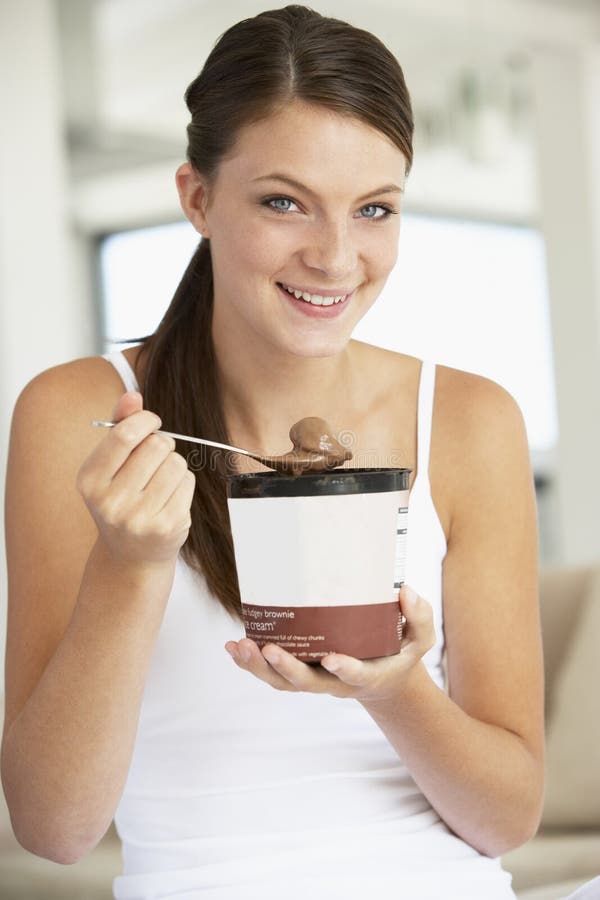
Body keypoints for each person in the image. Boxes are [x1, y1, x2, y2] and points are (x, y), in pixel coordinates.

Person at [1, 5, 544, 898]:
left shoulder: (470, 419)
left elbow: (505, 821)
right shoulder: (80, 413)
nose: (335, 257)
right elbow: (54, 828)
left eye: (374, 209)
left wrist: (389, 686)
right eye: (284, 202)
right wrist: (131, 566)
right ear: (198, 198)